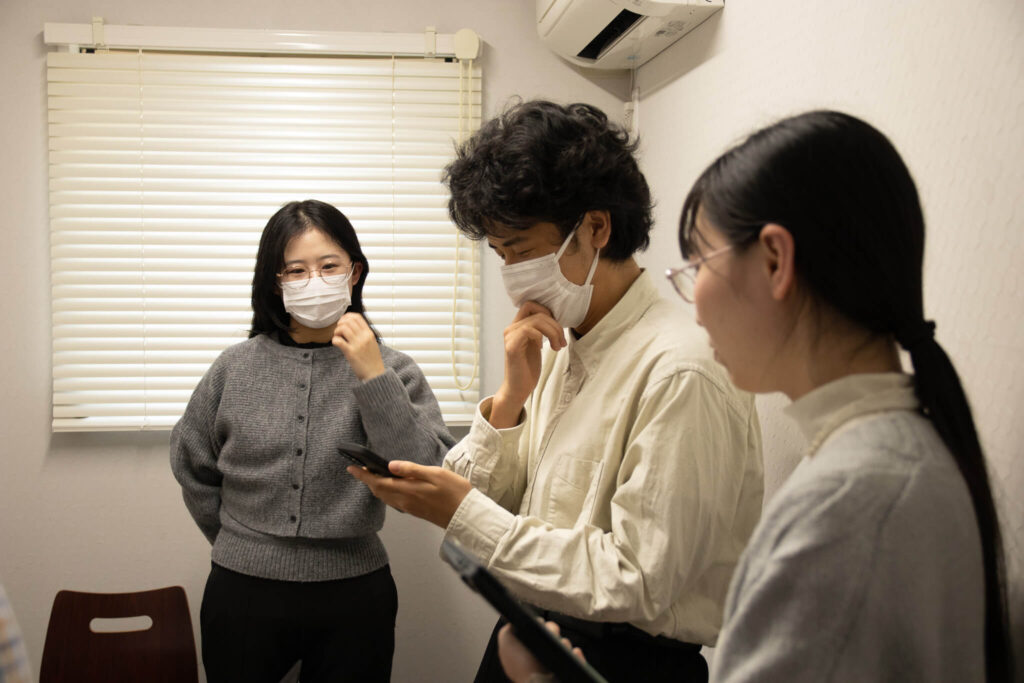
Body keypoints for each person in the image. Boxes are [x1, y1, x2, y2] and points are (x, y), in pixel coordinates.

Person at [498, 110, 1014, 682]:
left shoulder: (847, 499)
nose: (693, 301)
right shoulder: (888, 458)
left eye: (700, 264)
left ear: (775, 262)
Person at [348, 100, 764, 683]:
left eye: (521, 249)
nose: (512, 271)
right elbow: (502, 497)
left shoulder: (681, 368)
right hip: (532, 627)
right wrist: (512, 396)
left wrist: (461, 512)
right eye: (499, 255)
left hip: (625, 660)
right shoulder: (562, 344)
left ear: (596, 227)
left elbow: (638, 579)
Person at [170, 199, 454, 683]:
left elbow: (427, 472)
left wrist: (372, 375)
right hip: (241, 590)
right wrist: (240, 544)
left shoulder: (395, 368)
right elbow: (192, 463)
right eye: (295, 271)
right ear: (274, 282)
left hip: (355, 593)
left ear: (355, 273)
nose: (313, 281)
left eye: (328, 266)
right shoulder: (234, 367)